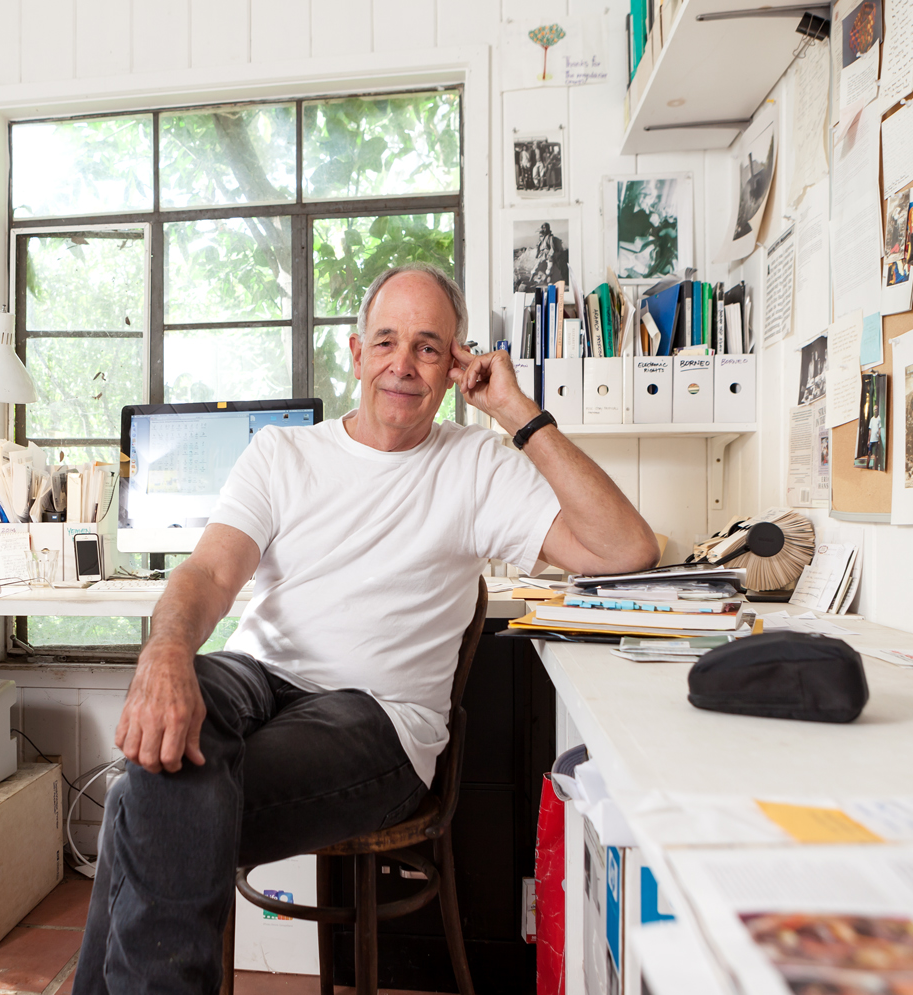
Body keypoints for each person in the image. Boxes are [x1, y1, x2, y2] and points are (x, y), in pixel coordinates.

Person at [73, 263, 658, 995]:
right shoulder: (282, 454)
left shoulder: (475, 464)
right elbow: (211, 574)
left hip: (376, 715)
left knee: (143, 795)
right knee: (176, 731)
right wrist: (165, 653)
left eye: (428, 348)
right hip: (255, 674)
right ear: (355, 354)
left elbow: (626, 550)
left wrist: (516, 412)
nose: (403, 366)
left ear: (455, 368)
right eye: (386, 342)